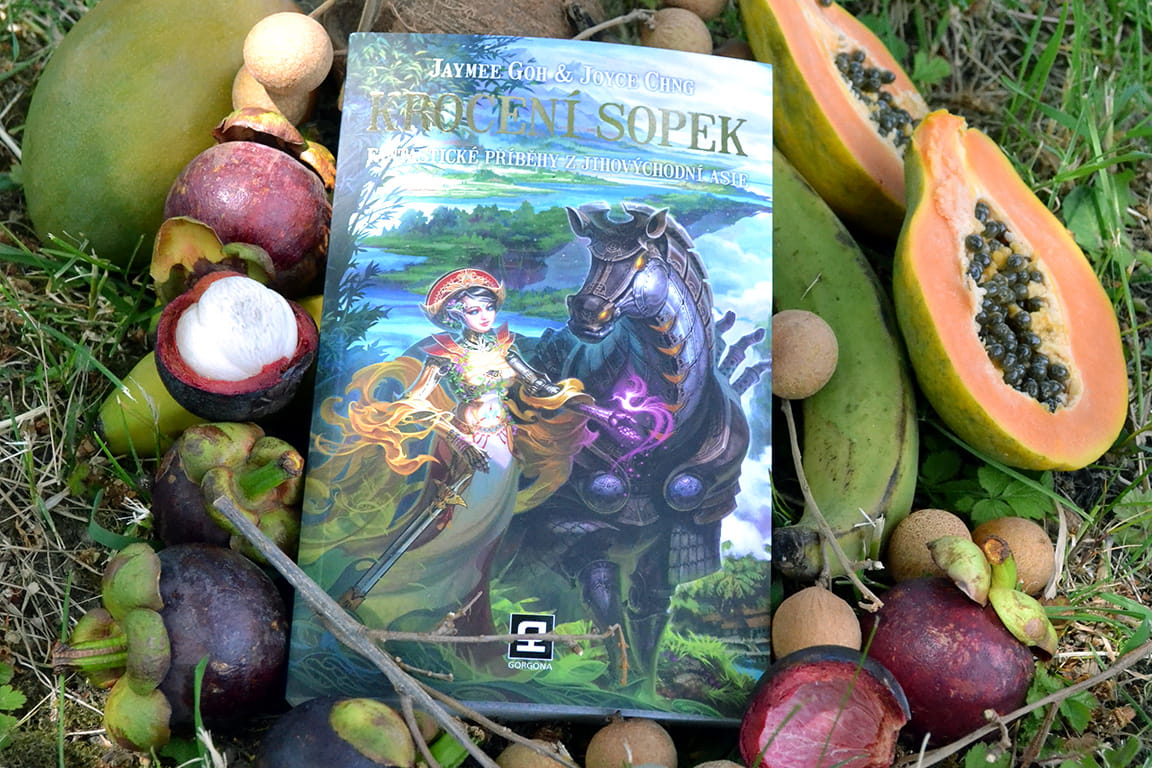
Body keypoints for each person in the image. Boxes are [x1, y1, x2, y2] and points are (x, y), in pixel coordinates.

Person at [310, 268, 597, 644]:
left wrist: (570, 398)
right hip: (466, 446)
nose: (485, 316)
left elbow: (536, 383)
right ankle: (381, 598)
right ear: (455, 314)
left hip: (503, 449)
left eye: (489, 307)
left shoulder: (504, 349)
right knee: (451, 528)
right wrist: (458, 440)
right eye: (474, 310)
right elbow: (412, 403)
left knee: (487, 533)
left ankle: (467, 613)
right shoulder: (445, 356)